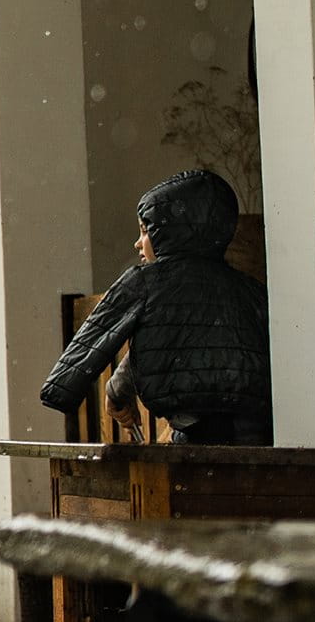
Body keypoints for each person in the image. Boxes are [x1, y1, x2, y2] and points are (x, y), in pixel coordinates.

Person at [40, 167, 272, 444]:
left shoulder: (145, 283)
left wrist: (63, 390)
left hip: (193, 429)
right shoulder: (248, 288)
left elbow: (99, 335)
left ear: (169, 232)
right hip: (257, 430)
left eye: (145, 230)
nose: (138, 243)